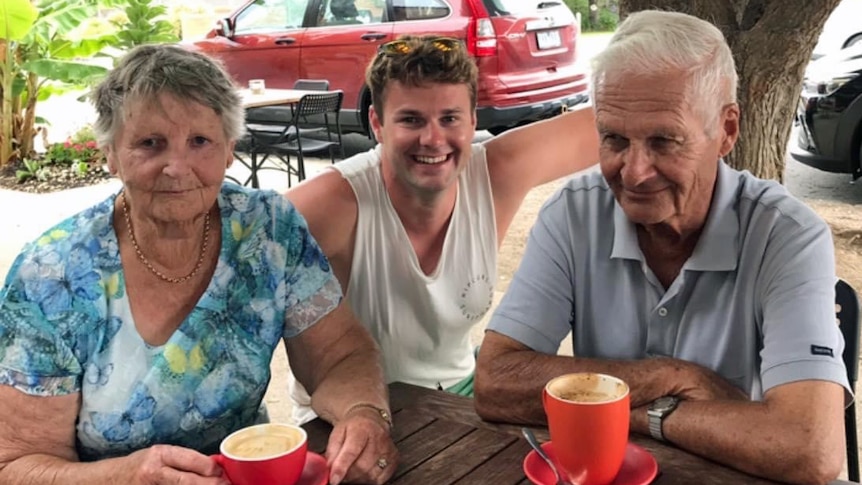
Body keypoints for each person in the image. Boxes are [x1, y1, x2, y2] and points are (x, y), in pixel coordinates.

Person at [473, 10, 851, 485]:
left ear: (727, 130)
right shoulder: (572, 214)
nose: (633, 172)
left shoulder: (787, 236)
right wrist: (672, 377)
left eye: (664, 141)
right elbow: (495, 383)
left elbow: (809, 448)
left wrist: (630, 414)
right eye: (614, 138)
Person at [0, 44, 395, 485]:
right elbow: (17, 464)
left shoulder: (267, 229)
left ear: (230, 149)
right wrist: (122, 478)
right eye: (151, 143)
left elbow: (339, 354)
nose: (176, 167)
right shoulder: (52, 273)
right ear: (110, 154)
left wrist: (365, 415)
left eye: (200, 142)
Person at [285, 35, 600, 423]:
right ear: (377, 124)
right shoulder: (336, 202)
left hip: (459, 397)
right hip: (349, 413)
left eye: (449, 118)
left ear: (472, 122)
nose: (433, 139)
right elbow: (233, 238)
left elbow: (617, 117)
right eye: (411, 119)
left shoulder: (495, 173)